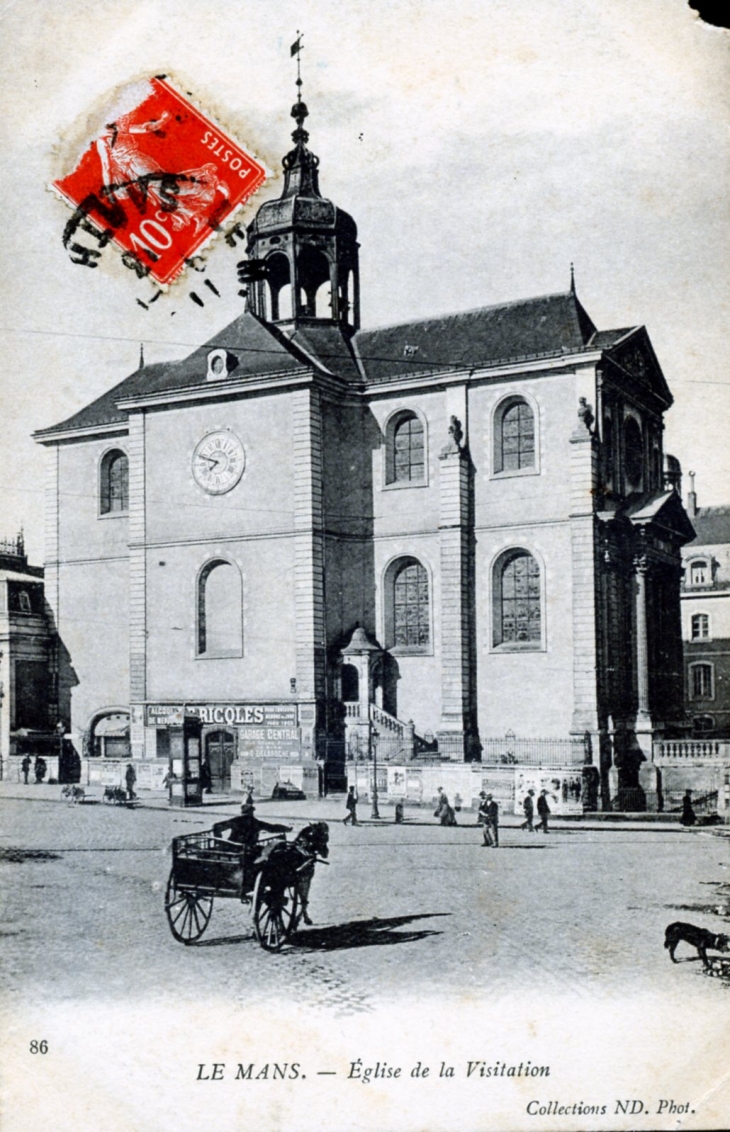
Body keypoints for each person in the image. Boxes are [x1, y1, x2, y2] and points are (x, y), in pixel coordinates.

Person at [213, 802, 292, 886]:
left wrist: (219, 840)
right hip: (248, 850)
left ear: (242, 812)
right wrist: (287, 829)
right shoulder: (255, 822)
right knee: (265, 854)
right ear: (251, 812)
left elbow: (216, 826)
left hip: (231, 848)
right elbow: (272, 828)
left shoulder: (235, 821)